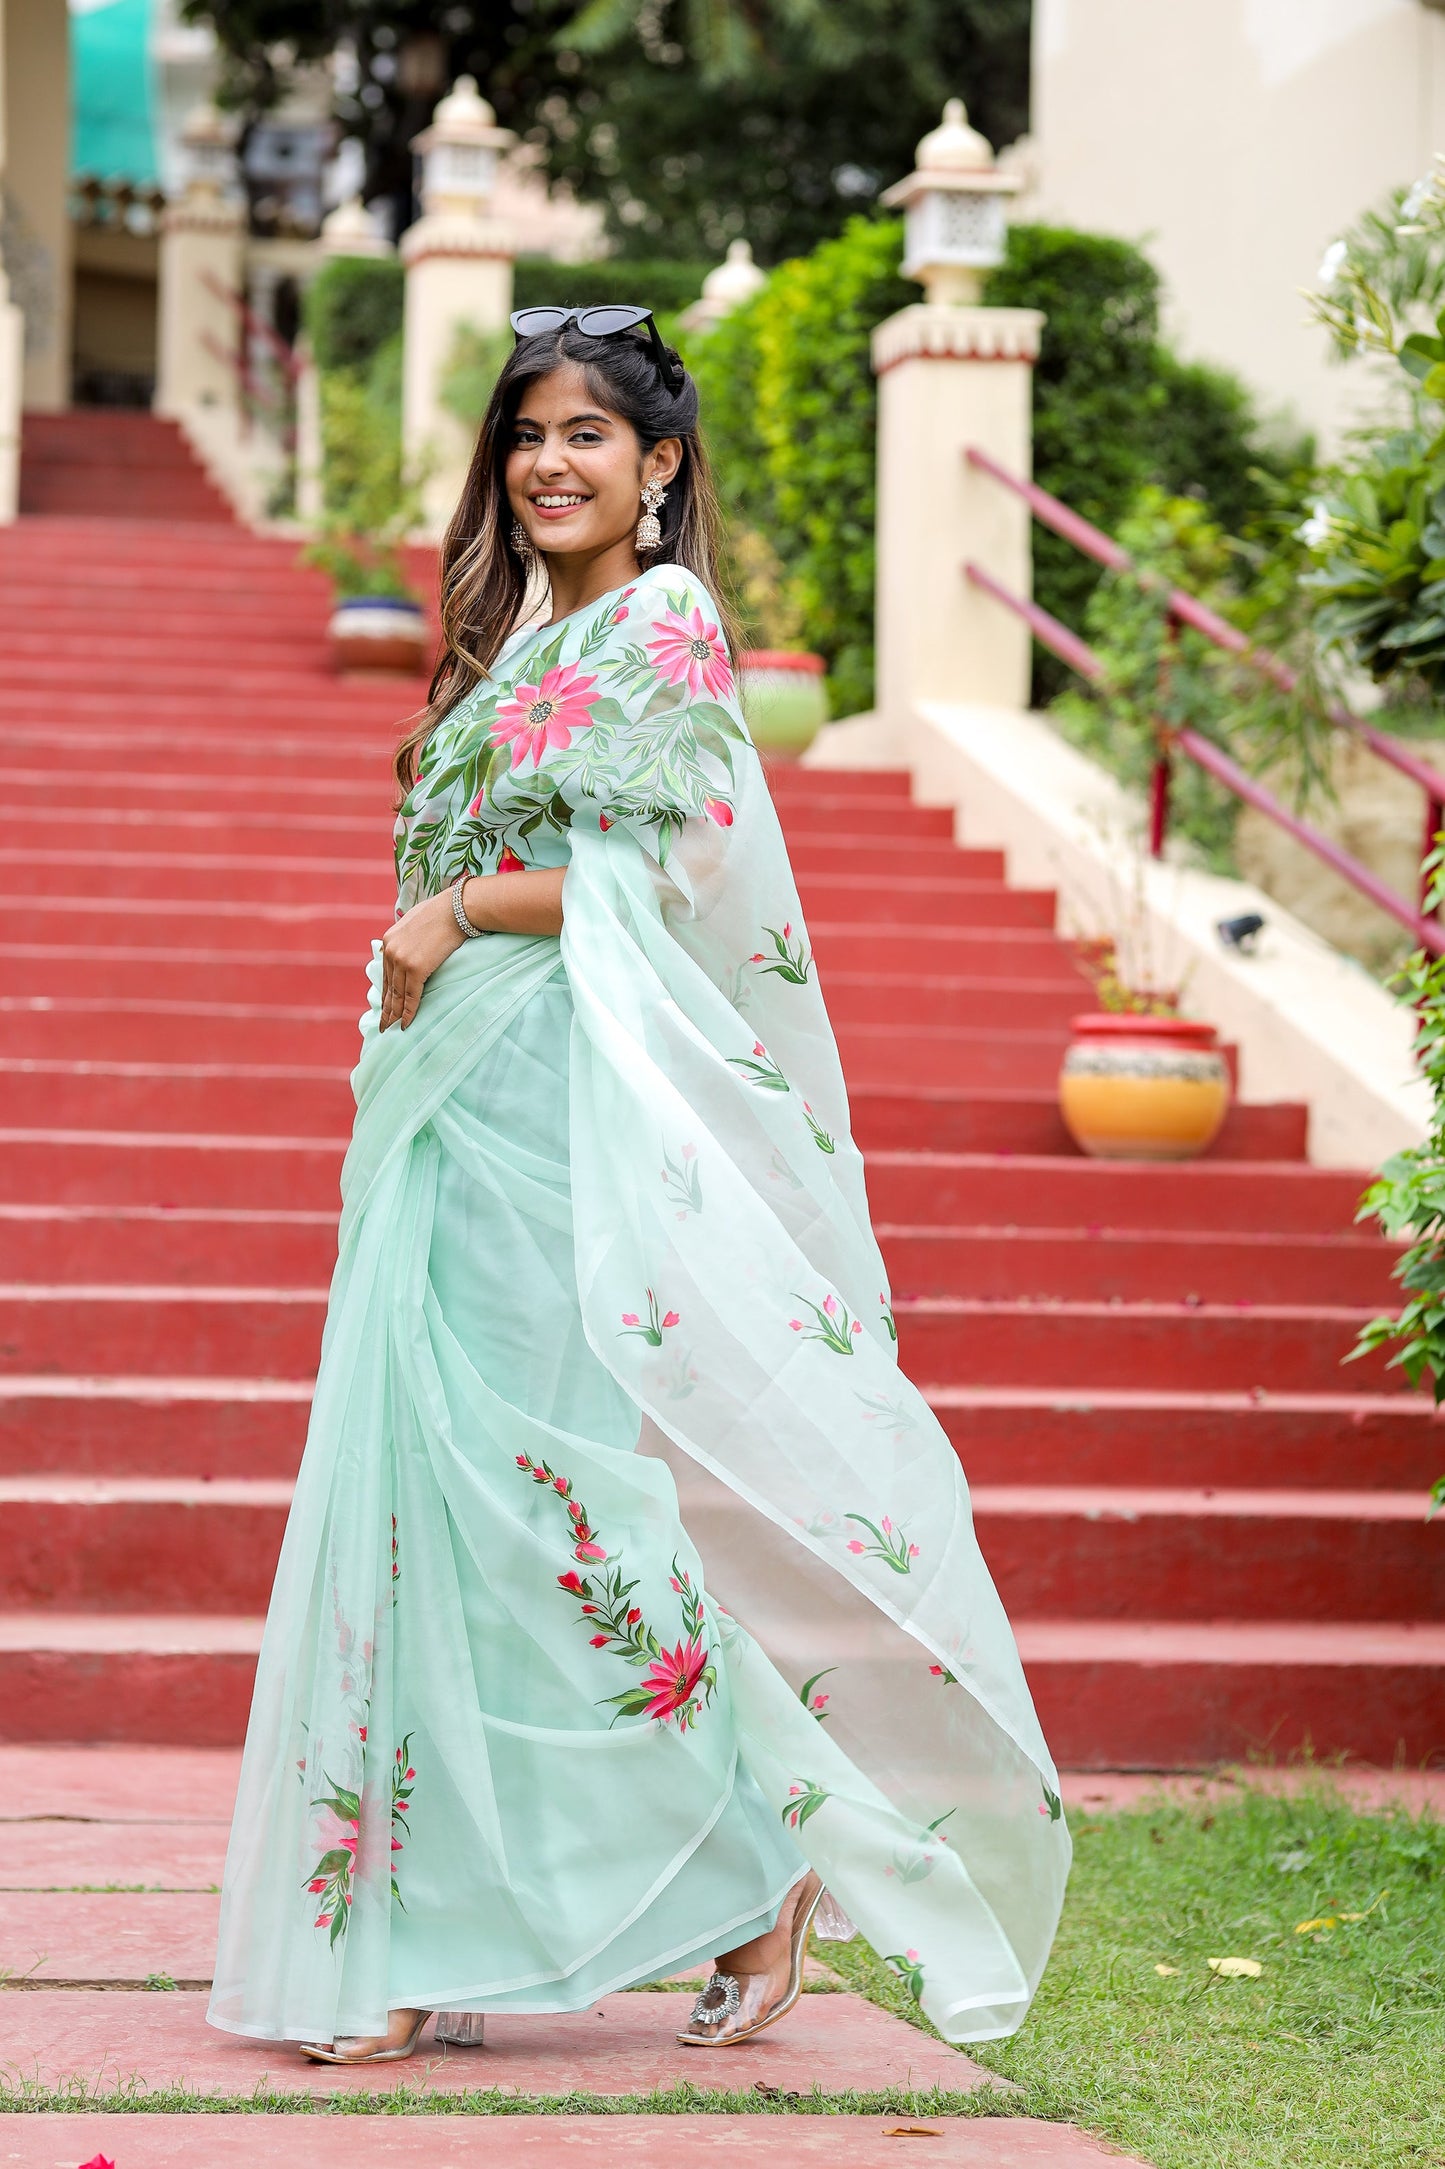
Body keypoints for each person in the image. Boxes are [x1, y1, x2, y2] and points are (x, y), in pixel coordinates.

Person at [208, 303, 1069, 2064]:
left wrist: (449, 916)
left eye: (590, 434)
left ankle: (758, 1862)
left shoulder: (664, 624)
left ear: (658, 466)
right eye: (529, 432)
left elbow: (656, 871)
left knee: (539, 1493)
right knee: (419, 1500)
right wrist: (420, 960)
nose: (549, 462)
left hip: (553, 1094)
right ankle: (410, 1930)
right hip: (450, 1097)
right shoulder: (523, 637)